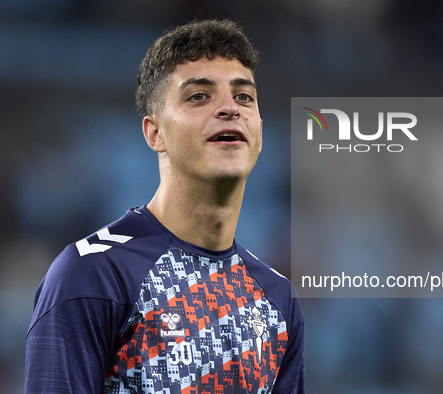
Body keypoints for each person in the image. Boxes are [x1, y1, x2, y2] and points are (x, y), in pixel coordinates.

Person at [25, 19, 305, 393]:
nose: (229, 108)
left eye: (244, 97)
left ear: (259, 131)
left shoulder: (277, 297)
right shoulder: (92, 274)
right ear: (155, 133)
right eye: (199, 96)